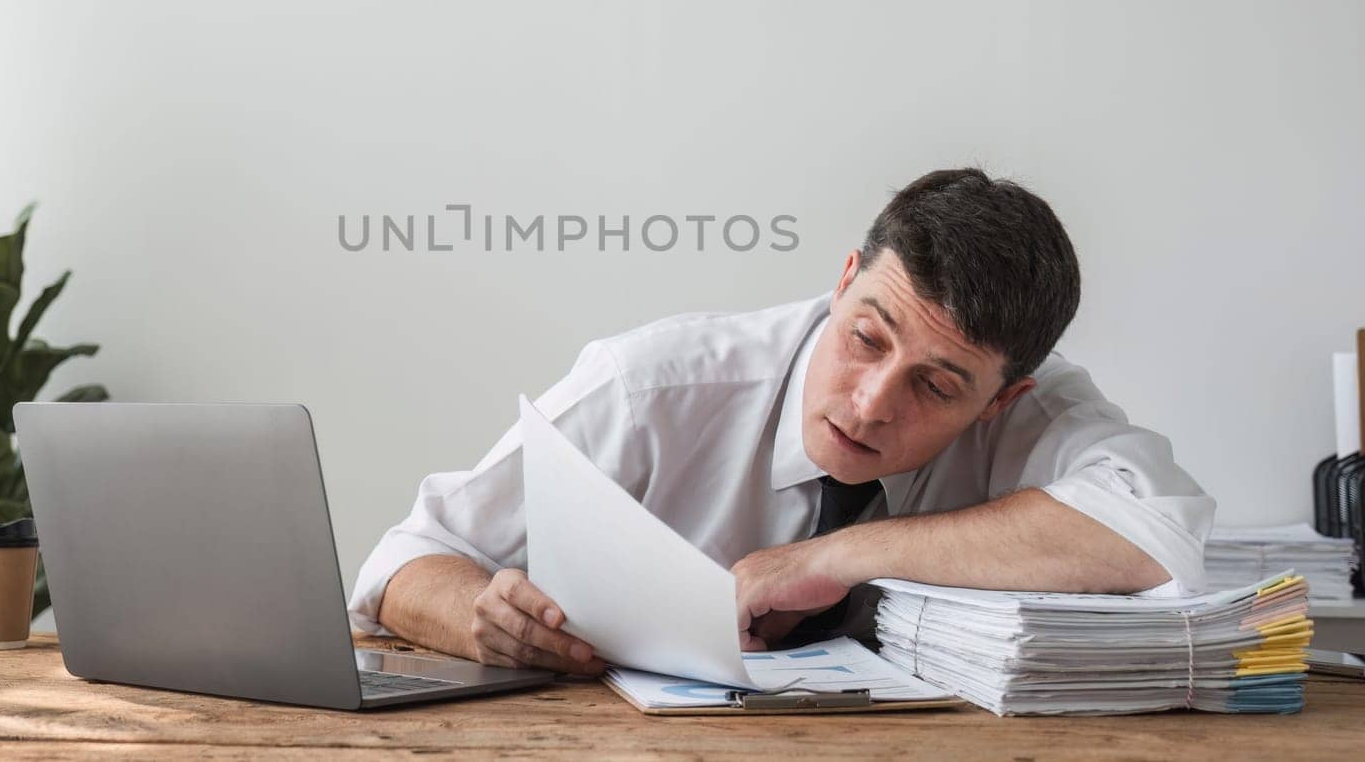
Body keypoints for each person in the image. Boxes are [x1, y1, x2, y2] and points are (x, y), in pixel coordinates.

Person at [347, 169, 1214, 676]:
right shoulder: (652, 387)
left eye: (937, 387)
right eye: (866, 336)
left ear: (1001, 399)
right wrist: (482, 620)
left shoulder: (1040, 408)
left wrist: (830, 558)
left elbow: (1155, 531)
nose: (873, 401)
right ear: (844, 280)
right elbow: (400, 562)